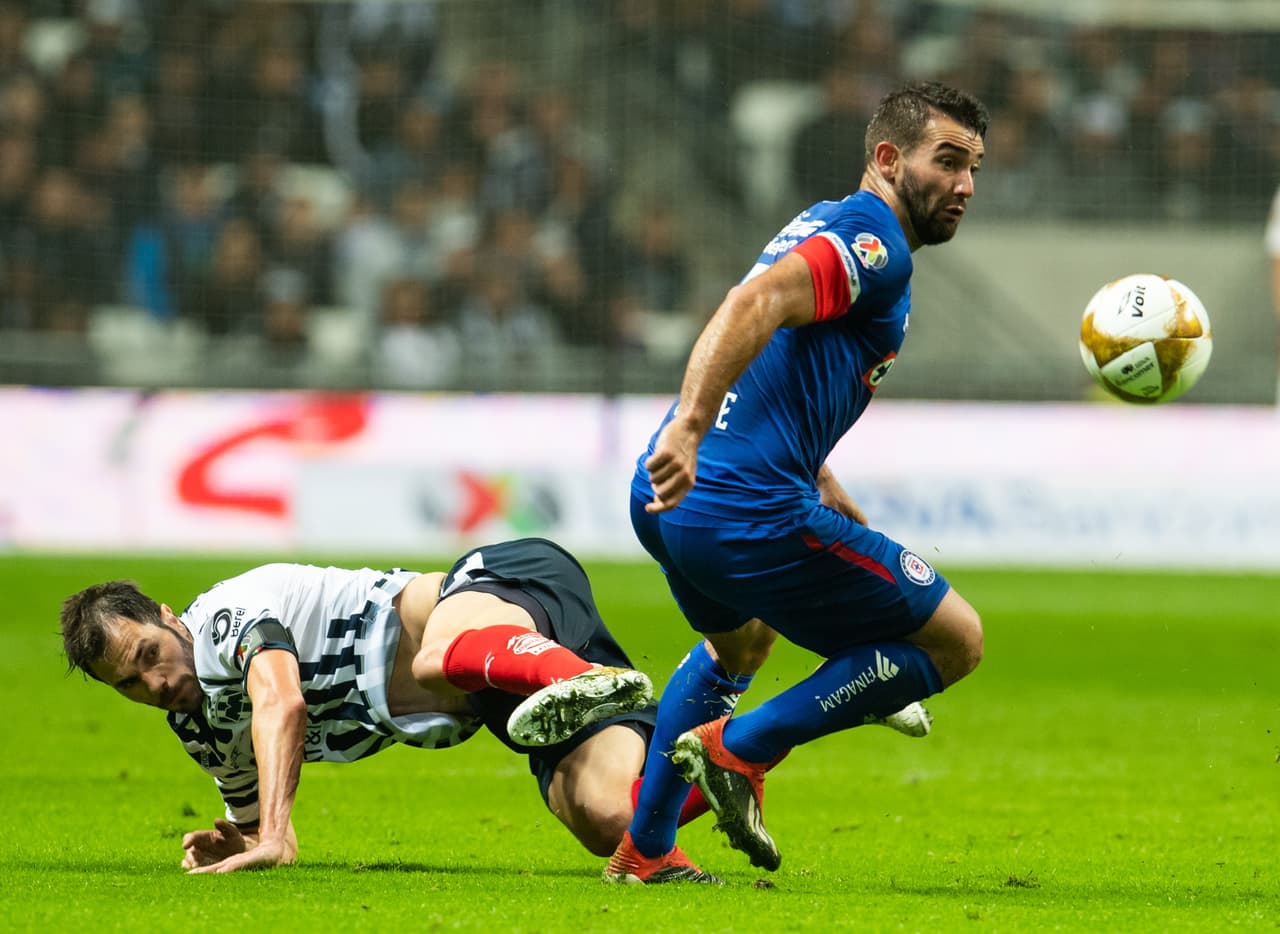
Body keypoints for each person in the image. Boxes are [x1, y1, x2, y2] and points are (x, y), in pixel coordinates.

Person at [601, 81, 989, 884]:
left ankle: (646, 848)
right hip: (739, 504)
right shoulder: (871, 240)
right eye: (947, 161)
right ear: (887, 158)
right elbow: (755, 303)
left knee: (738, 642)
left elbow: (780, 359)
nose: (964, 186)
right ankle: (739, 751)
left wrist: (813, 466)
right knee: (954, 641)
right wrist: (691, 422)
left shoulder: (828, 222)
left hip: (669, 497)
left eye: (974, 168)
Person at [59, 537, 658, 872]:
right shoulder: (202, 732)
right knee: (607, 823)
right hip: (498, 693)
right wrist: (248, 843)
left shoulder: (220, 622)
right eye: (129, 685)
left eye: (146, 654)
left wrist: (267, 832)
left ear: (167, 617)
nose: (154, 684)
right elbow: (279, 843)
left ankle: (580, 677)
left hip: (496, 587)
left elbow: (282, 701)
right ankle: (728, 750)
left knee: (434, 657)